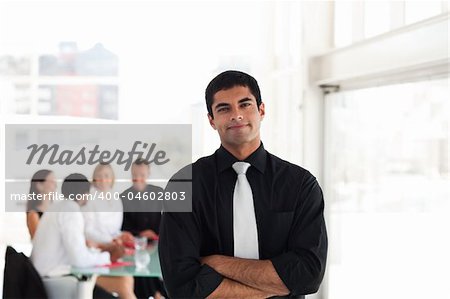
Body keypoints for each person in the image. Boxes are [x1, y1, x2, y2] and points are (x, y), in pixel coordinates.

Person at [159, 70, 328, 298]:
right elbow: (182, 284)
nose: (236, 115)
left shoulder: (300, 184)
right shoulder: (183, 185)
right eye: (224, 108)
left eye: (245, 104)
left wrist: (218, 263)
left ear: (261, 110)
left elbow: (308, 274)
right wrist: (274, 286)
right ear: (211, 120)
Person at [31, 173, 136, 299]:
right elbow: (79, 260)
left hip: (46, 276)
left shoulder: (59, 207)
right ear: (84, 193)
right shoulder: (71, 212)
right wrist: (108, 257)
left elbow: (74, 250)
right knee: (123, 284)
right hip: (57, 280)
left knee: (124, 281)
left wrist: (101, 252)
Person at [121, 158, 165, 299]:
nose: (138, 179)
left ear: (148, 174)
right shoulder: (124, 197)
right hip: (135, 245)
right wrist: (141, 234)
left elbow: (168, 220)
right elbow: (123, 226)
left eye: (142, 175)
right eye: (135, 175)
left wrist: (154, 234)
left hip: (158, 244)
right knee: (140, 269)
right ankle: (156, 294)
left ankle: (158, 293)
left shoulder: (159, 193)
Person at [82, 163, 124, 245]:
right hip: (95, 245)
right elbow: (87, 230)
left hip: (115, 243)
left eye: (106, 175)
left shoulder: (116, 198)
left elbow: (116, 228)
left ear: (112, 178)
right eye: (99, 176)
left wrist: (121, 236)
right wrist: (110, 240)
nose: (103, 179)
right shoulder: (88, 198)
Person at [26, 169, 57, 239]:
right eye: (52, 181)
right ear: (39, 185)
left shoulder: (56, 211)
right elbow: (39, 240)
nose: (56, 185)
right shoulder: (33, 214)